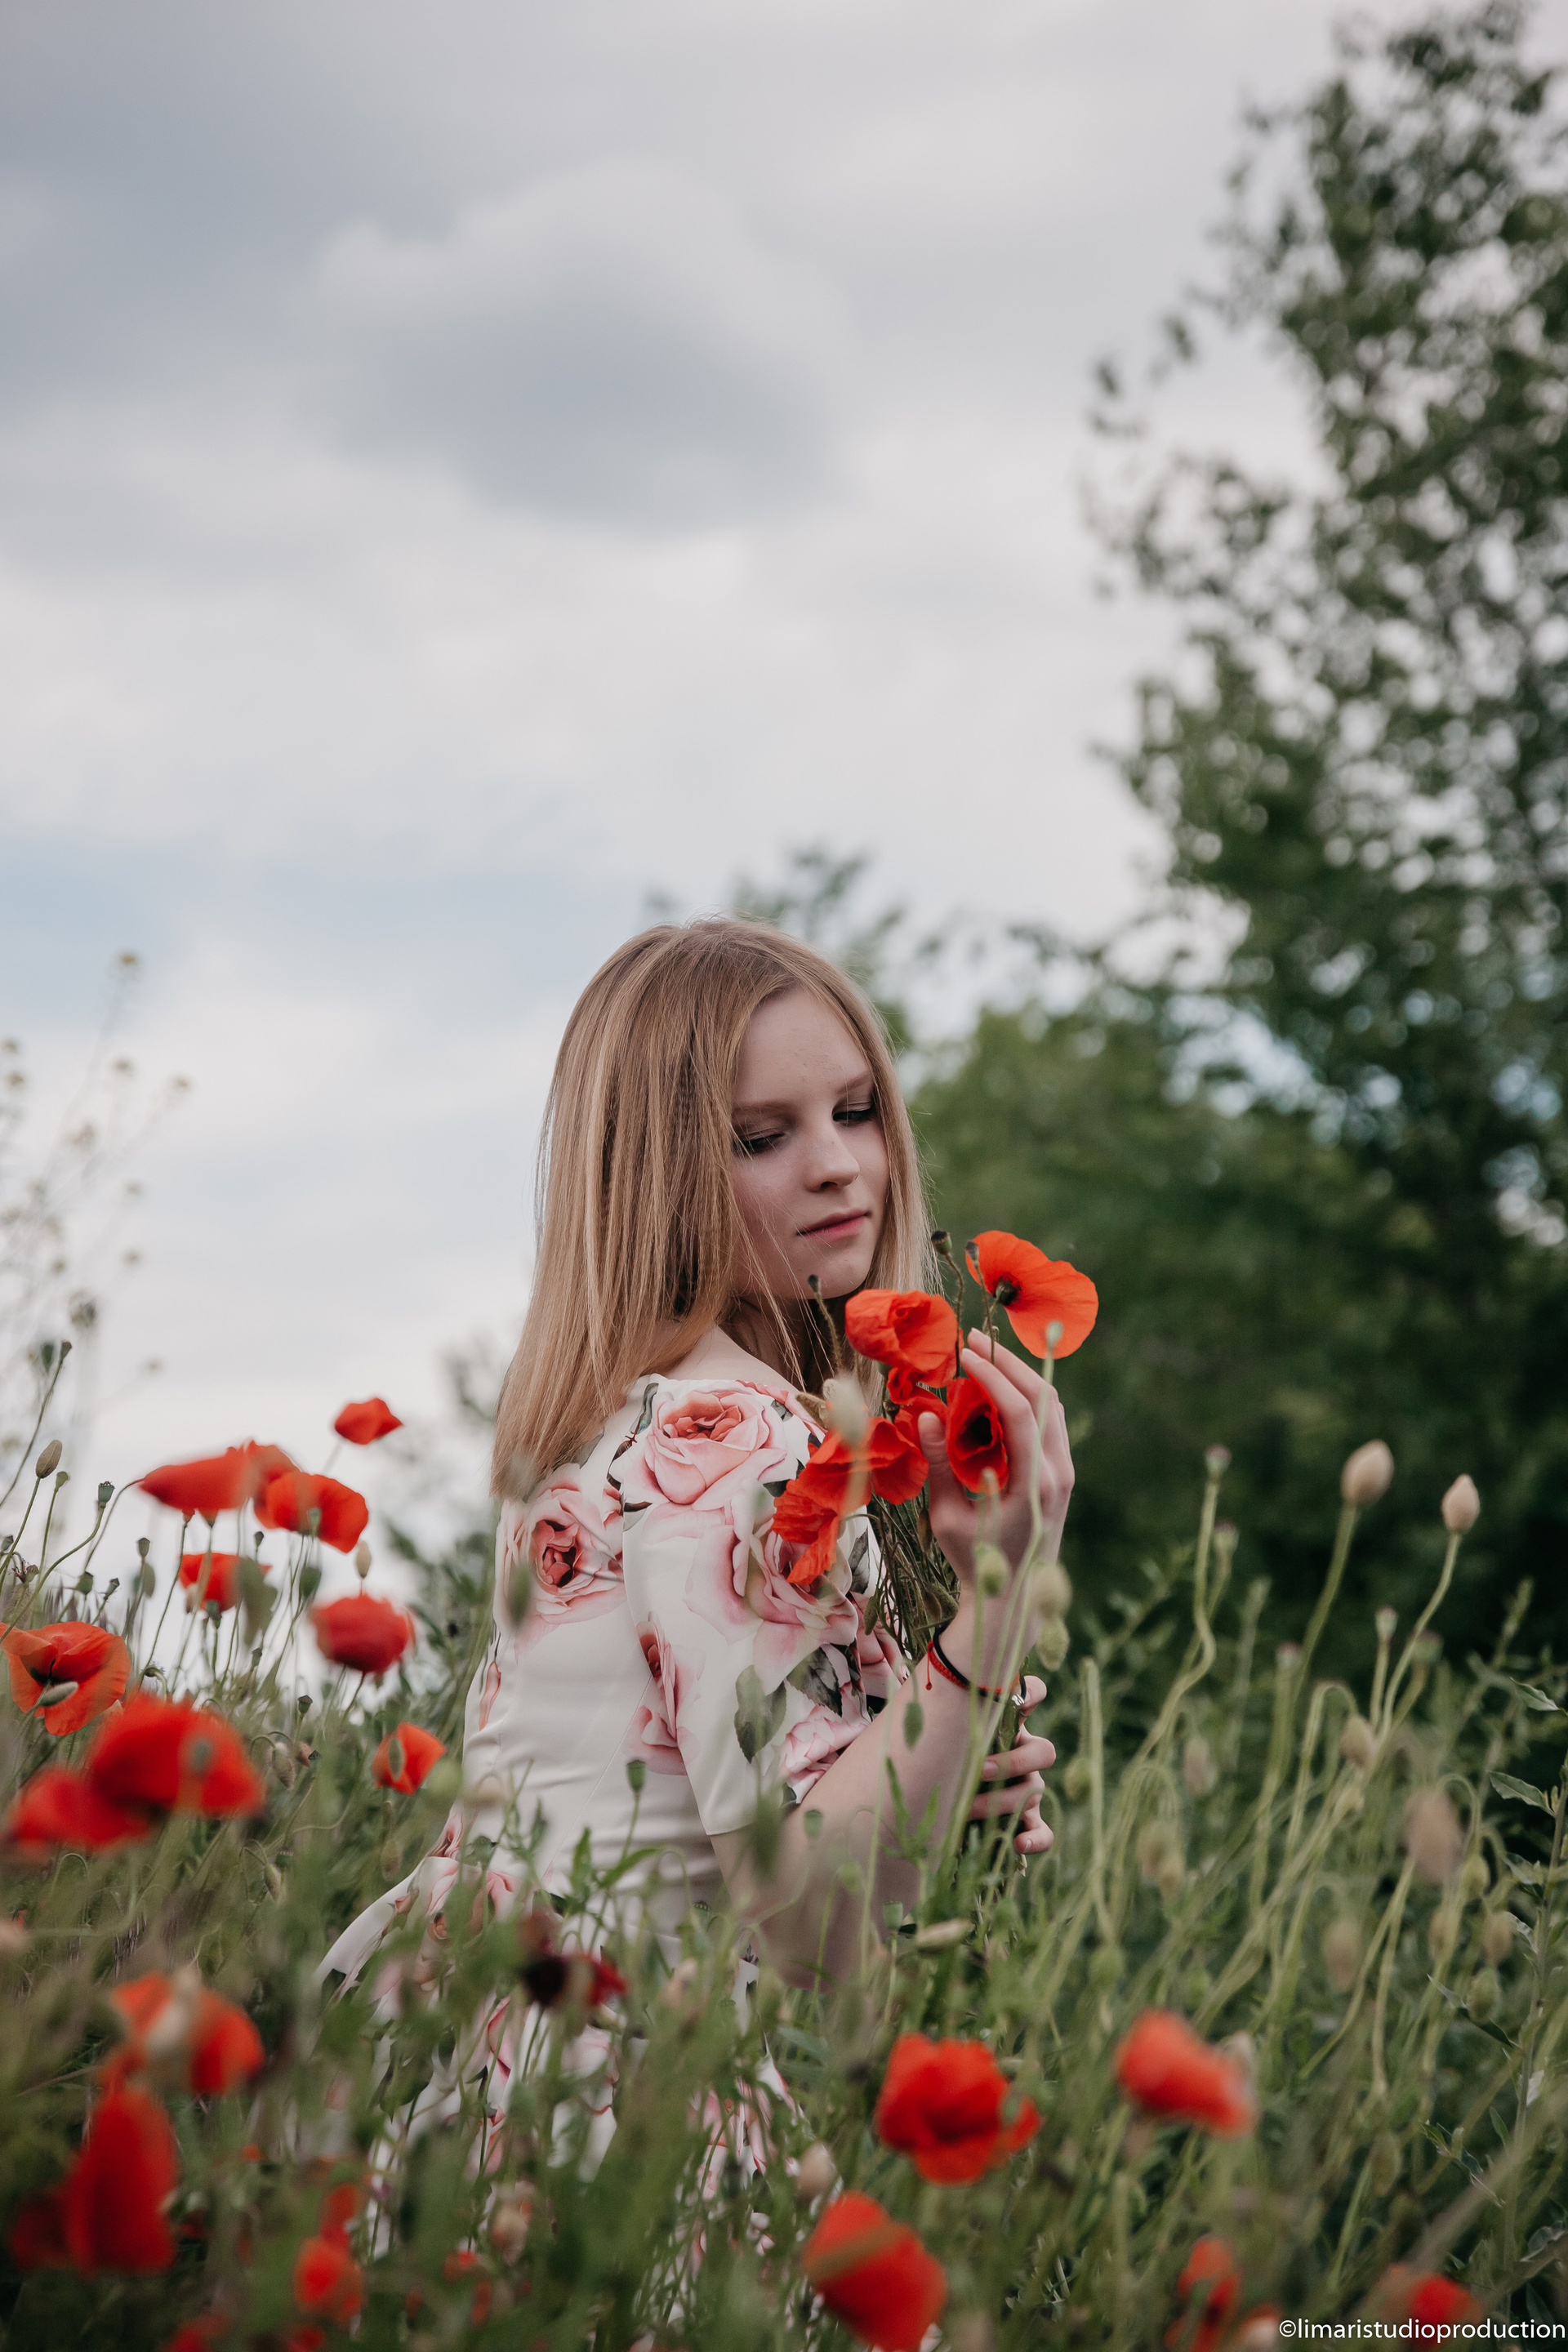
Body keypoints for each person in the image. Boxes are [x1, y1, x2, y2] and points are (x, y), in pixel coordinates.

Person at [320, 919, 1069, 2029]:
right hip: (623, 2057)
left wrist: (940, 1755)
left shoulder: (616, 1419)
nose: (836, 1164)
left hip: (485, 2021)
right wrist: (994, 1618)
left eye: (857, 1111)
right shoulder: (732, 1439)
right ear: (656, 1177)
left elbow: (740, 1829)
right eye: (761, 1137)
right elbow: (810, 1927)